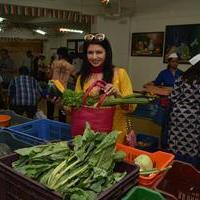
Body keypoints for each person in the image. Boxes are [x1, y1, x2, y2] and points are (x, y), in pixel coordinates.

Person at [75, 33, 134, 143]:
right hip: (89, 136)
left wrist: (118, 95)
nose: (94, 57)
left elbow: (130, 108)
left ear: (107, 53)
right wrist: (62, 104)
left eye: (99, 52)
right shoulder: (82, 78)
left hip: (115, 135)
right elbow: (75, 109)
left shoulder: (120, 74)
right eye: (90, 53)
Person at [167, 54, 200, 167]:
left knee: (176, 139)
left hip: (178, 114)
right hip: (194, 116)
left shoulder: (181, 78)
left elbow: (173, 97)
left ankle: (173, 165)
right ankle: (190, 168)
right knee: (192, 143)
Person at [47, 47, 76, 122]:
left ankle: (49, 123)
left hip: (52, 85)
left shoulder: (54, 63)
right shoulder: (70, 66)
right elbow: (76, 77)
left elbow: (49, 76)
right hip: (63, 87)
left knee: (50, 108)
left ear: (58, 54)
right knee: (62, 110)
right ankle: (61, 125)